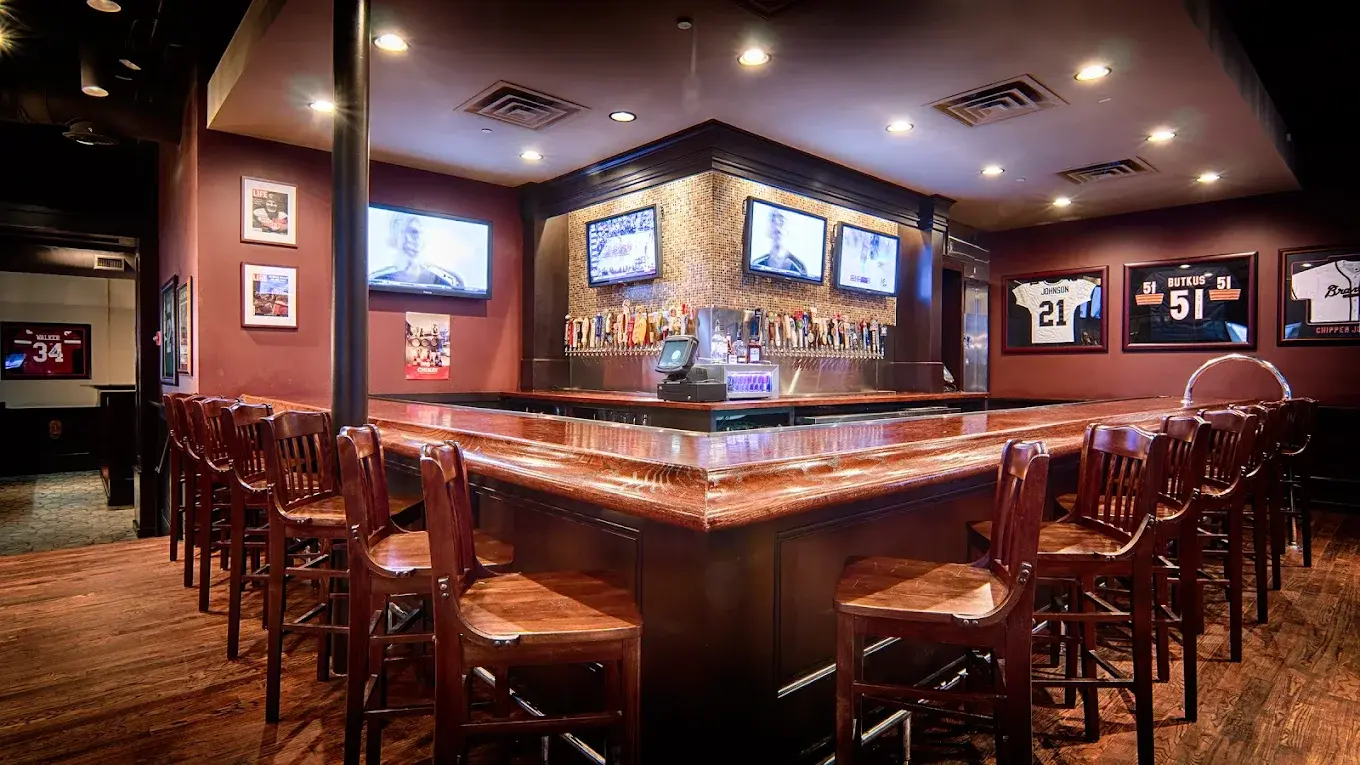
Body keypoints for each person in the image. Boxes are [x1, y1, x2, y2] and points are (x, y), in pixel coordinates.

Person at [370, 213, 465, 288]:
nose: (407, 239)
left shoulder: (447, 283)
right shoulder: (375, 281)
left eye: (414, 232)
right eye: (402, 232)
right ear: (394, 238)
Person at [751, 208, 808, 276]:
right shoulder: (756, 264)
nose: (777, 225)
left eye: (781, 219)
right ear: (768, 229)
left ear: (788, 229)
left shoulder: (800, 268)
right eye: (773, 220)